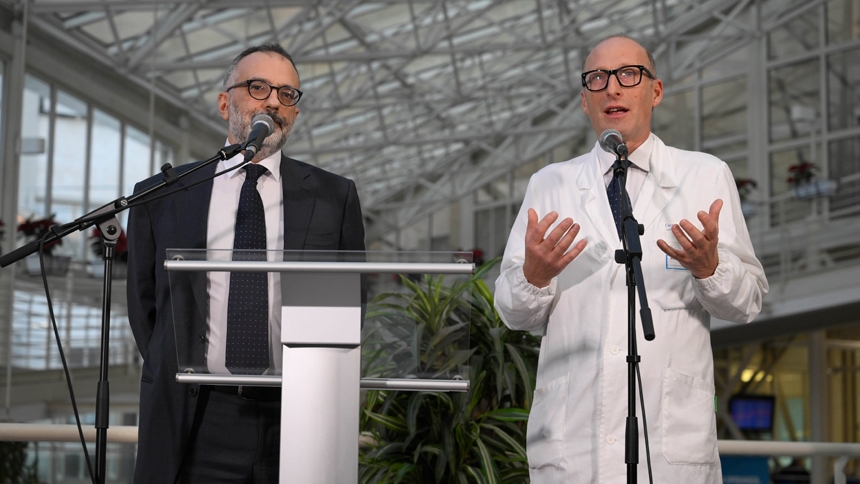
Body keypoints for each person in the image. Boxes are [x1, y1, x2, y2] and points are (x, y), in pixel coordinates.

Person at [494, 34, 768, 483]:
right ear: (585, 101)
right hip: (574, 443)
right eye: (597, 78)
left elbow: (747, 302)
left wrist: (710, 269)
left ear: (654, 91)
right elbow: (511, 312)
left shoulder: (704, 176)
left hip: (669, 443)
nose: (612, 88)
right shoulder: (551, 185)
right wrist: (533, 276)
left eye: (628, 75)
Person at [126, 43, 365, 483]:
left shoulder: (335, 196)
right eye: (258, 88)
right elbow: (147, 313)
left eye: (287, 94)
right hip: (194, 417)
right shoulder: (162, 196)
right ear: (224, 104)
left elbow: (351, 306)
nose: (274, 101)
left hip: (298, 416)